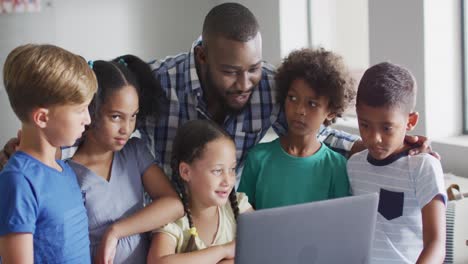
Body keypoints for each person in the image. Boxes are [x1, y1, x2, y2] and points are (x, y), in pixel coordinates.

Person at [0, 3, 434, 181]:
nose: (245, 84)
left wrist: (386, 145)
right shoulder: (156, 80)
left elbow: (315, 131)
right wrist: (31, 146)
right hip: (161, 218)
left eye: (252, 69)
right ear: (203, 56)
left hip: (223, 219)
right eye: (230, 72)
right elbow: (82, 107)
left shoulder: (268, 86)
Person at [67, 56, 184, 264]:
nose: (127, 128)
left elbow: (174, 204)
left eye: (133, 116)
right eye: (116, 117)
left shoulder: (135, 152)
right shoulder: (68, 173)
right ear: (91, 110)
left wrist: (116, 231)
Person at [0, 44, 96, 263]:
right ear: (42, 118)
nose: (88, 119)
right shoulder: (19, 181)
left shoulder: (64, 170)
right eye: (80, 110)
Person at [347, 62, 446, 263]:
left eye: (387, 128)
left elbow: (436, 244)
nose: (374, 138)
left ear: (410, 122)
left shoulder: (423, 167)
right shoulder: (353, 165)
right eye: (364, 125)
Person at [238, 48, 354, 209]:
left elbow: (339, 224)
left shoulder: (337, 167)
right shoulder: (258, 158)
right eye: (292, 98)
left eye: (312, 103)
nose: (299, 110)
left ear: (331, 112)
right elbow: (243, 219)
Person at [147, 120, 252, 264]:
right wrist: (223, 251)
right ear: (186, 172)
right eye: (217, 171)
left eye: (232, 169)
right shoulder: (173, 220)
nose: (227, 181)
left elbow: (264, 243)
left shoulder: (239, 207)